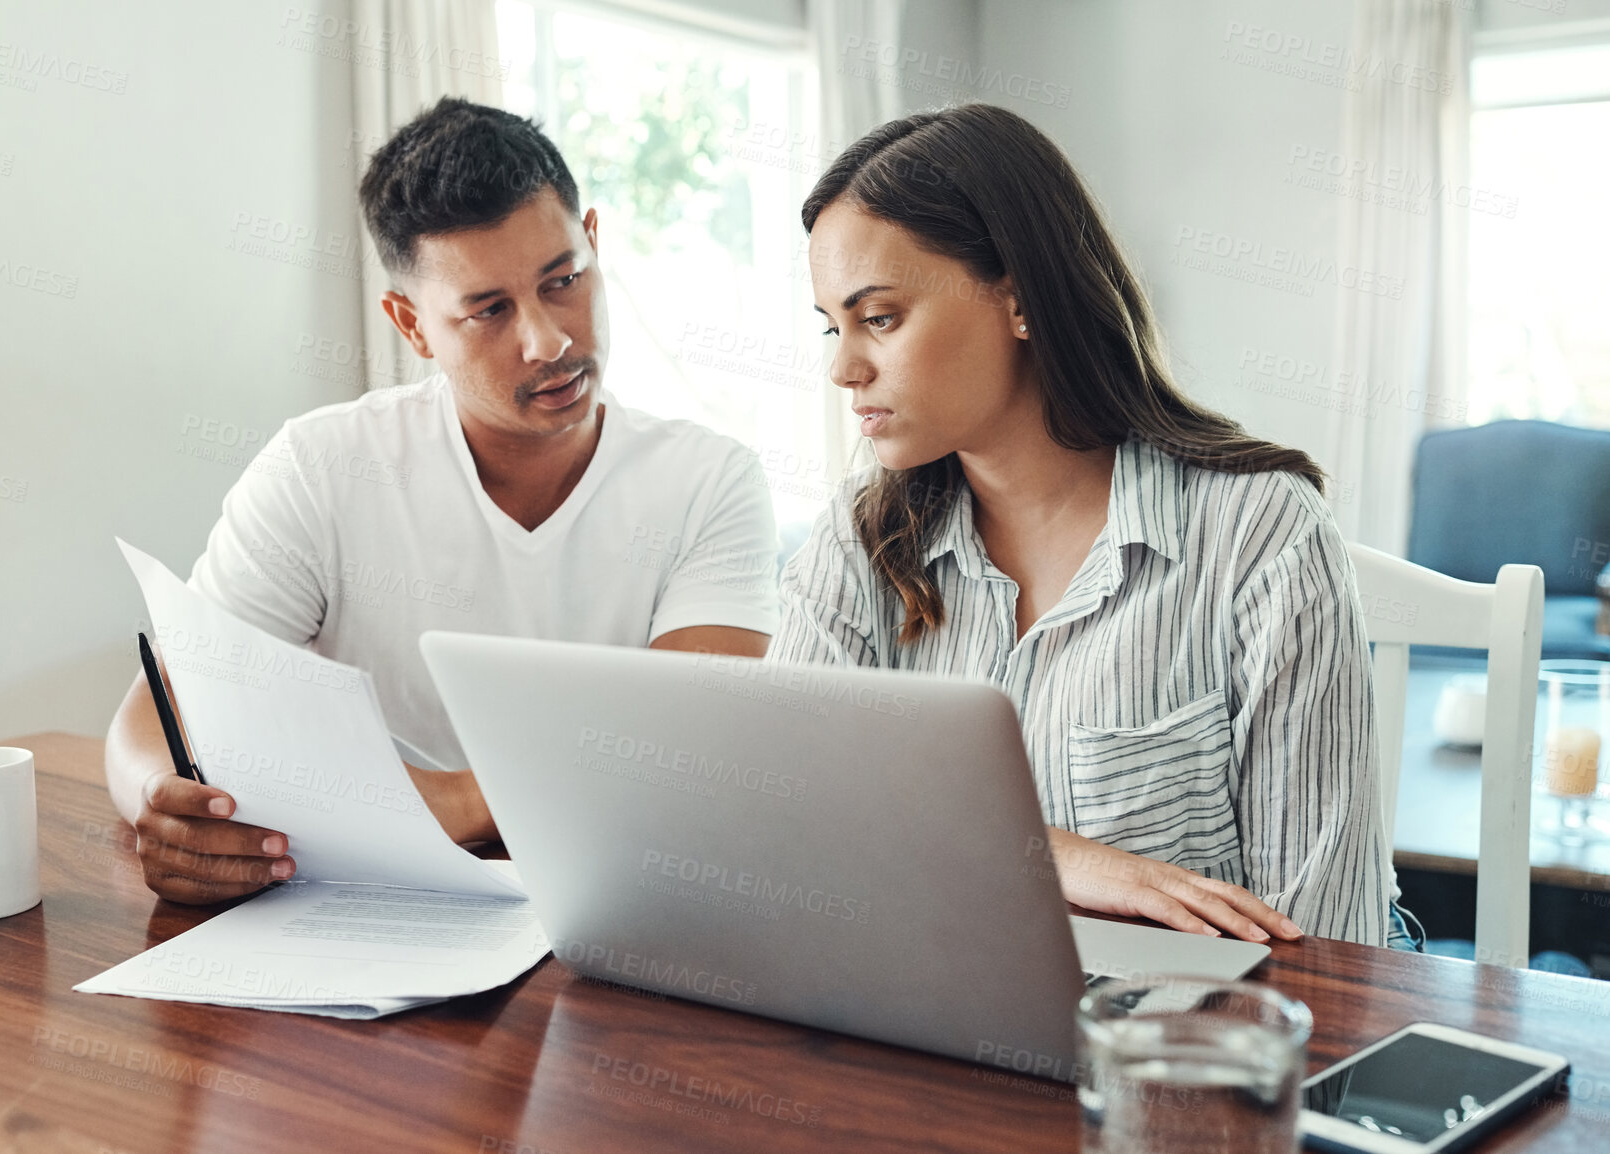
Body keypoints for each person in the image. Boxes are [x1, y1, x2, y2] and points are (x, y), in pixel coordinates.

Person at [106, 99, 778, 904]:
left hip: (619, 904)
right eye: (489, 310)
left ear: (594, 242)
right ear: (412, 324)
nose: (548, 340)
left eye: (564, 280)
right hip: (360, 903)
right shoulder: (321, 467)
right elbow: (158, 714)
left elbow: (688, 751)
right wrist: (160, 804)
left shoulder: (710, 481)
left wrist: (451, 801)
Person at [773, 103, 1393, 946]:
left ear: (1019, 300)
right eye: (831, 327)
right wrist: (1055, 857)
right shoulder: (857, 543)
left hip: (1188, 1050)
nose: (844, 369)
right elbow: (788, 831)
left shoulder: (1260, 533)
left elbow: (1326, 945)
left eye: (878, 317)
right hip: (930, 1031)